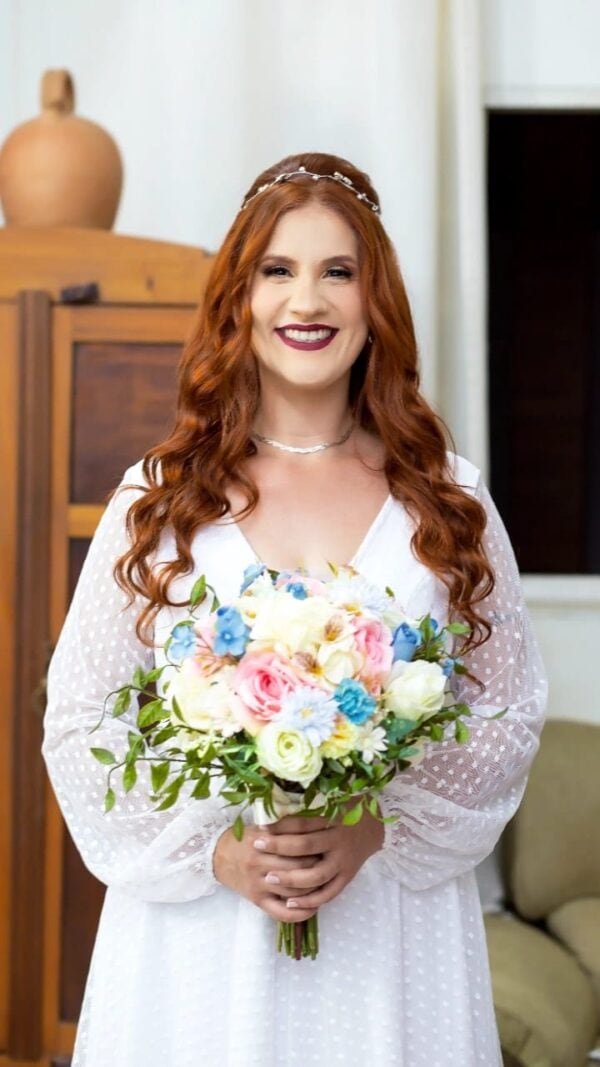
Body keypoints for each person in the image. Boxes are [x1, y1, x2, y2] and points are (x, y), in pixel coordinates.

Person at [43, 152, 547, 1066]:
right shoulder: (157, 500)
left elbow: (504, 717)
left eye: (337, 272)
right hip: (198, 948)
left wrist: (377, 823)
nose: (305, 300)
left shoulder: (448, 500)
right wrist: (214, 851)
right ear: (239, 297)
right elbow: (81, 720)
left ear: (374, 301)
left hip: (388, 933)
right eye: (277, 270)